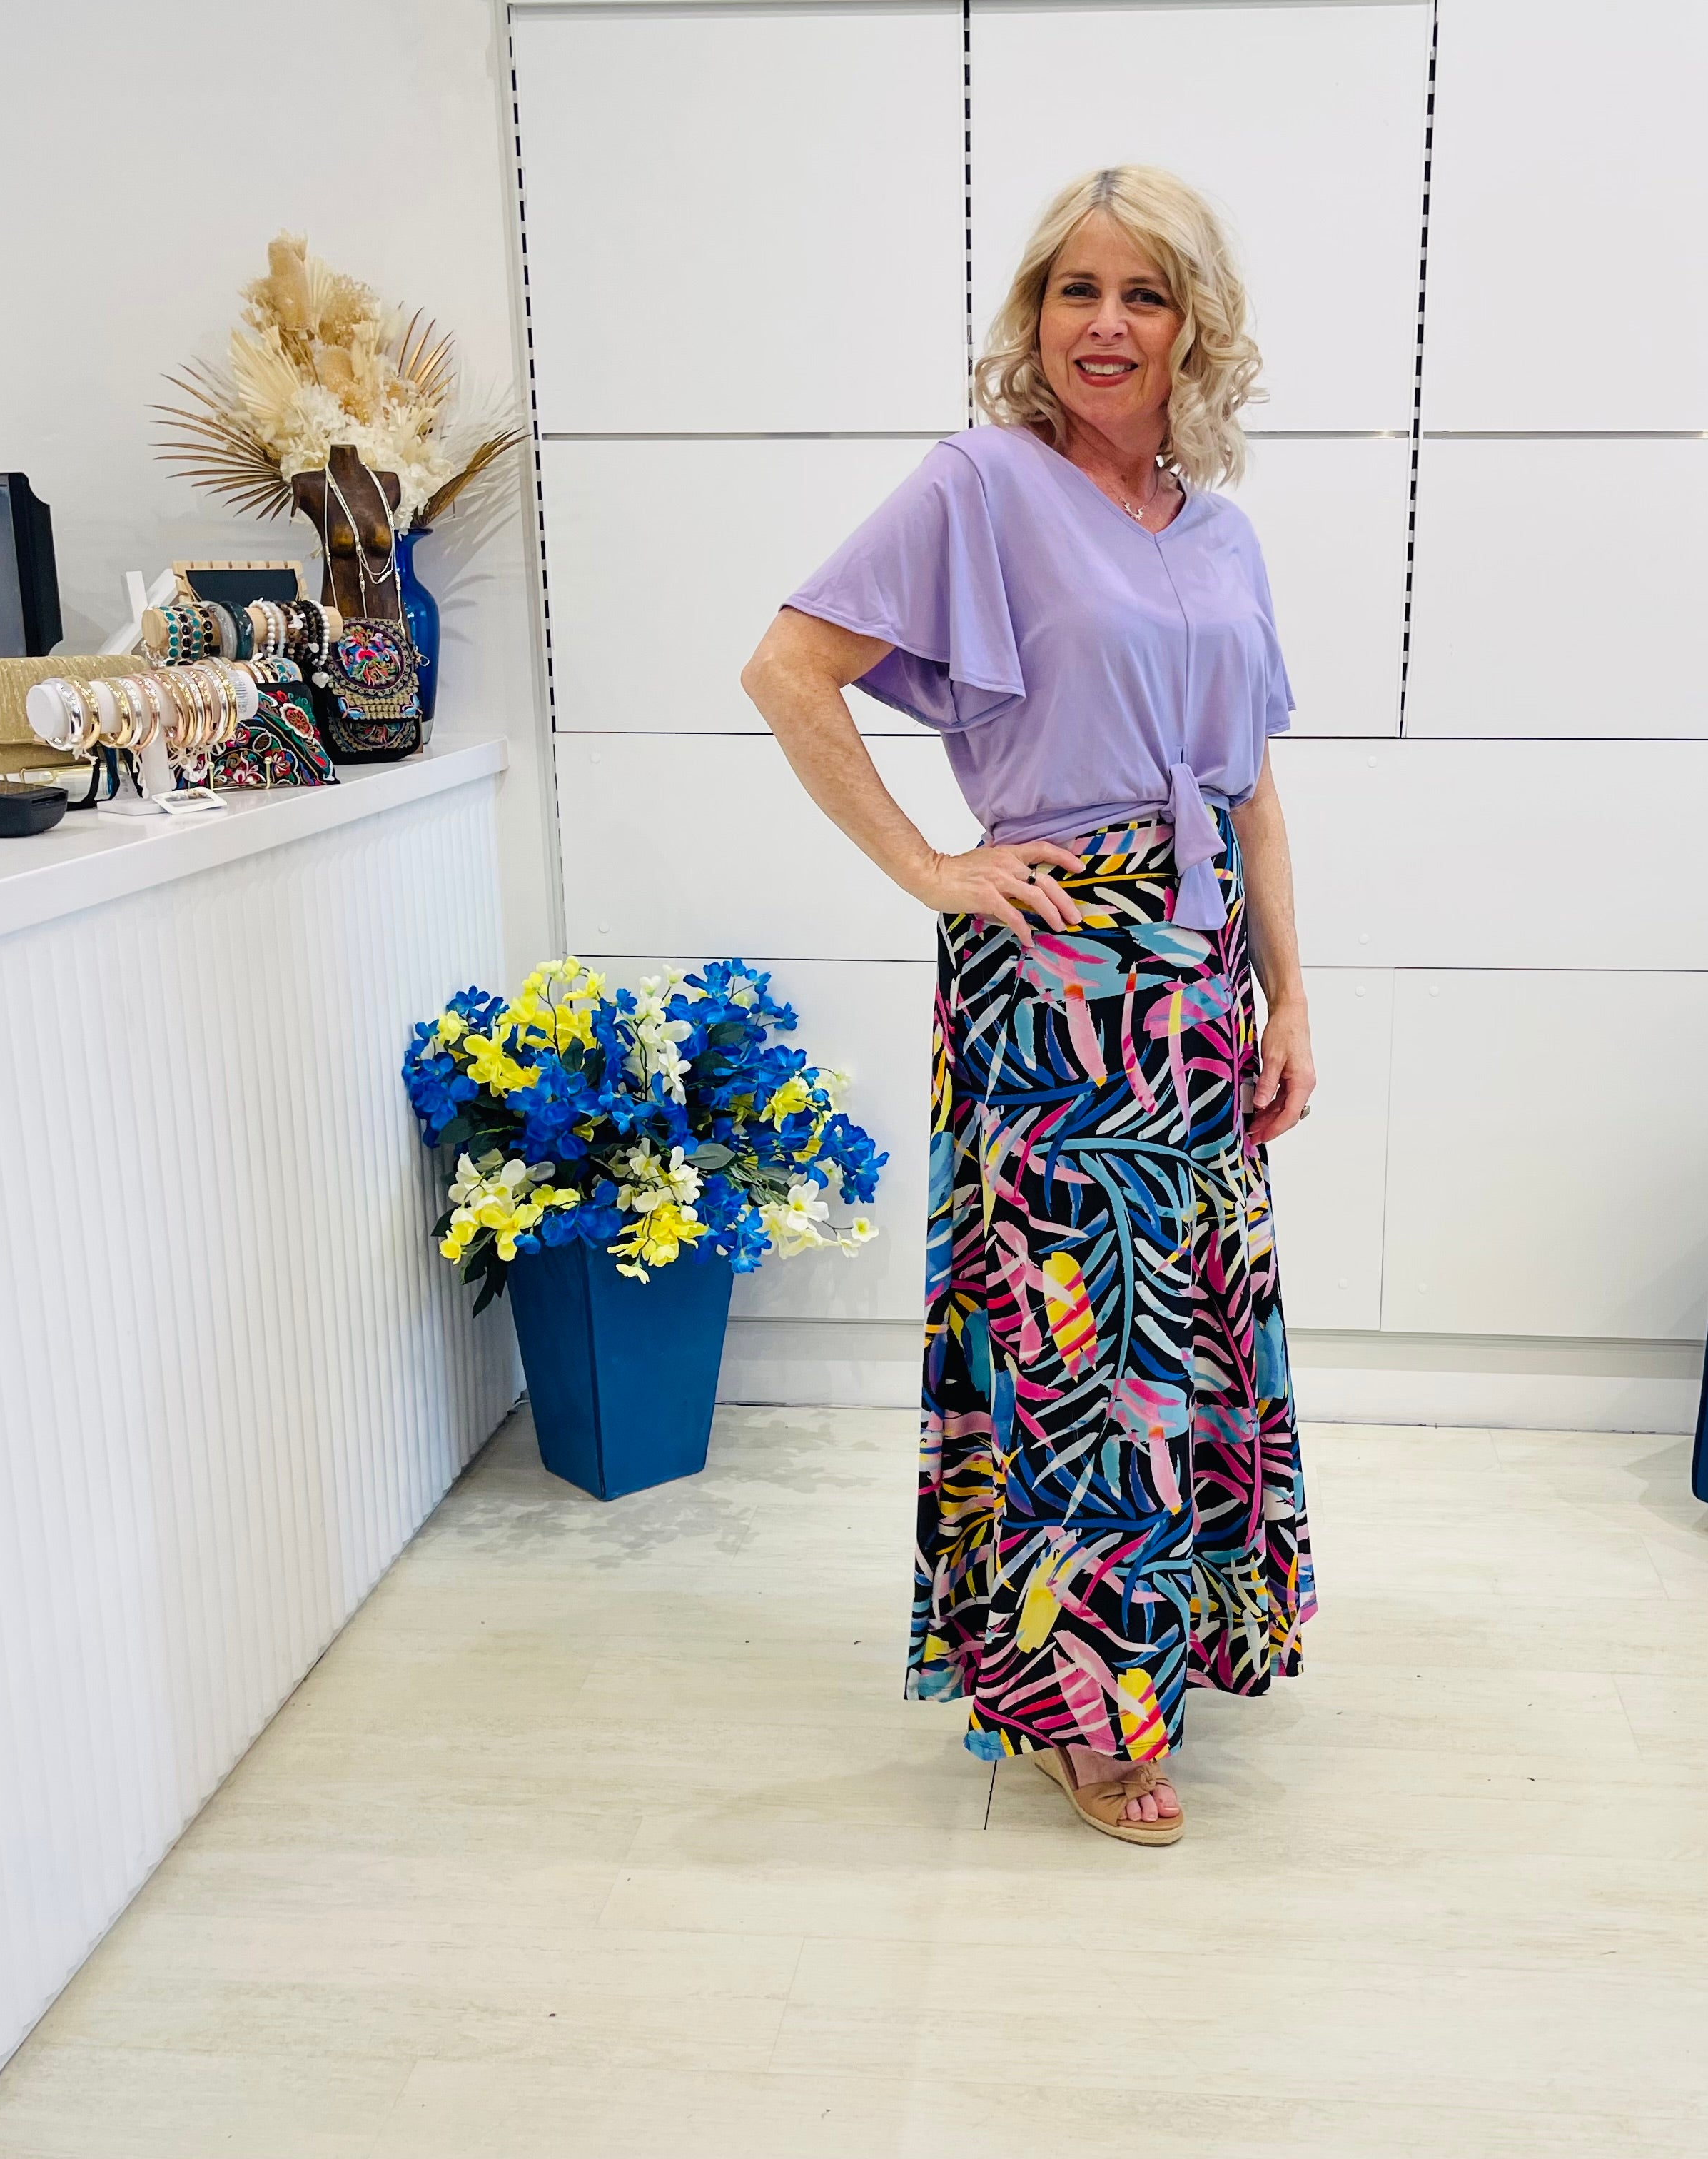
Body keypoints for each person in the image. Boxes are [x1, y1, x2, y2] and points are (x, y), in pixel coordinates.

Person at [741, 166, 1315, 1846]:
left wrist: (1292, 1003)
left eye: (1143, 295)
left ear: (1194, 323)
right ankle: (1084, 1710)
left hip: (1201, 976)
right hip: (1060, 976)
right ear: (1034, 319)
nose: (1108, 326)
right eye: (1077, 292)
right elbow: (788, 670)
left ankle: (1166, 1650)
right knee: (1083, 1334)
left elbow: (1257, 785)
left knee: (1185, 1322)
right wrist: (931, 867)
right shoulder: (980, 484)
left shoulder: (1222, 531)